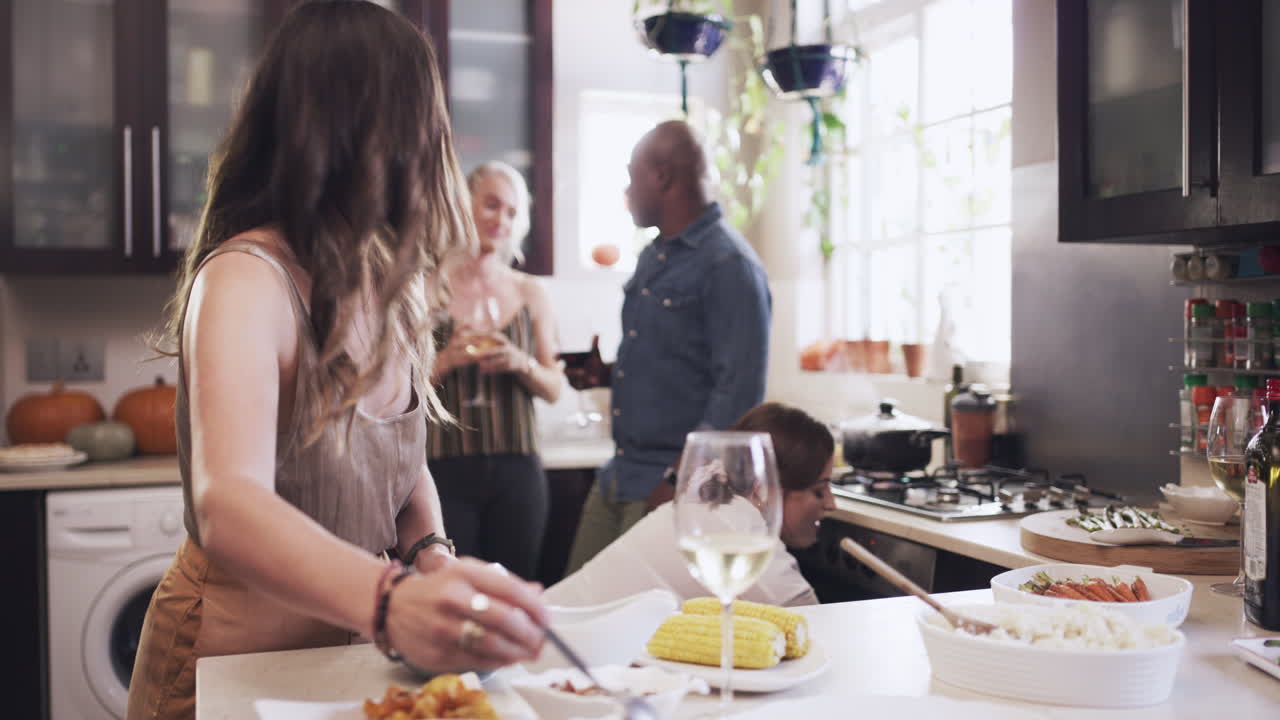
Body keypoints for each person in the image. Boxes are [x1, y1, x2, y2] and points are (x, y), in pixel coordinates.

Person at [126, 5, 546, 719]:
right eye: (422, 120)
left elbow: (403, 468)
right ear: (360, 131)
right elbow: (229, 503)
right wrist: (390, 601)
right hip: (227, 660)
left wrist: (433, 558)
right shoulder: (246, 278)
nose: (434, 146)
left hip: (347, 657)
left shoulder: (386, 284)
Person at [562, 120, 772, 574]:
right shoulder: (653, 256)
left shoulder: (730, 265)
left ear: (662, 176)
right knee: (569, 612)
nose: (627, 189)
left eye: (631, 175)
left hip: (672, 483)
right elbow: (674, 362)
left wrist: (681, 480)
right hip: (619, 474)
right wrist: (607, 374)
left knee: (637, 629)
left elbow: (739, 393)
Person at [546, 403, 835, 608]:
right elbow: (810, 627)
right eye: (819, 490)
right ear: (765, 486)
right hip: (538, 666)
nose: (831, 504)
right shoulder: (738, 532)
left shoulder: (707, 505)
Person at [427, 161, 562, 580]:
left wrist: (519, 363)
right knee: (455, 597)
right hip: (444, 469)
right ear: (463, 205)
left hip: (518, 470)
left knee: (514, 593)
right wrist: (448, 358)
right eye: (490, 205)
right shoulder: (427, 287)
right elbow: (400, 389)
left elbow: (555, 386)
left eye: (511, 212)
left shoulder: (529, 291)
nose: (501, 219)